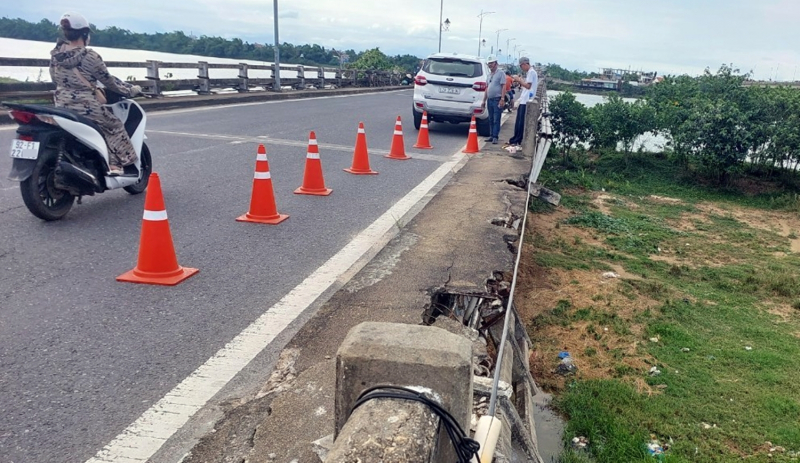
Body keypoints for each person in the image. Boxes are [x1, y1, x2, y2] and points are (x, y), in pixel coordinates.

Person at [49, 12, 143, 176]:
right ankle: (115, 165)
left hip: (61, 105)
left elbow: (53, 77)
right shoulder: (89, 56)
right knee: (114, 125)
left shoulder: (56, 55)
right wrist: (130, 90)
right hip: (86, 107)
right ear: (85, 34)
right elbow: (109, 81)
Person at [508, 56, 539, 147]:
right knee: (518, 121)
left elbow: (528, 86)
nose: (521, 68)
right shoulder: (531, 72)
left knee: (521, 122)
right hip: (524, 99)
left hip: (526, 100)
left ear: (525, 64)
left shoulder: (531, 72)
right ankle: (515, 138)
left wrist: (519, 80)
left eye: (521, 66)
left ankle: (517, 139)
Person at [481, 55, 505, 144]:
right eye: (489, 64)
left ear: (496, 64)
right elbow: (487, 88)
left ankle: (495, 136)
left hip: (497, 99)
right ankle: (491, 135)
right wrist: (483, 100)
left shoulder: (501, 73)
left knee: (496, 119)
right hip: (490, 99)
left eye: (492, 63)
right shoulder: (489, 75)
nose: (490, 65)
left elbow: (503, 86)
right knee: (490, 118)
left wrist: (502, 98)